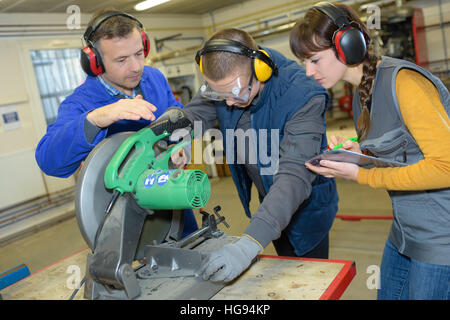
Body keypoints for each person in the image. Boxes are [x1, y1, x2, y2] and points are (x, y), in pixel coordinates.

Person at [290, 2, 450, 299]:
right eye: (304, 62)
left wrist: (361, 175)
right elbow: (405, 146)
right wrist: (361, 151)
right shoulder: (362, 92)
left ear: (347, 46)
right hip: (405, 229)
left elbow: (445, 166)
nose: (308, 71)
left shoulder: (404, 82)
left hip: (441, 238)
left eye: (314, 60)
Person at [182, 28, 339, 283]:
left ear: (260, 69)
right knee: (282, 280)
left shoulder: (304, 94)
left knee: (308, 283)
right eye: (220, 96)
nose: (229, 103)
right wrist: (169, 135)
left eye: (237, 94)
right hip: (268, 201)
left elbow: (294, 176)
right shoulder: (227, 82)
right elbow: (192, 115)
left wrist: (248, 244)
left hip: (305, 208)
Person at [34, 9, 197, 235]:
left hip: (173, 205)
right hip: (122, 224)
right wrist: (96, 118)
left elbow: (178, 117)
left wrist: (180, 147)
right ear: (95, 62)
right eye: (121, 59)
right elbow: (49, 161)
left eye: (139, 53)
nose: (136, 67)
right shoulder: (80, 104)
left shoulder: (154, 78)